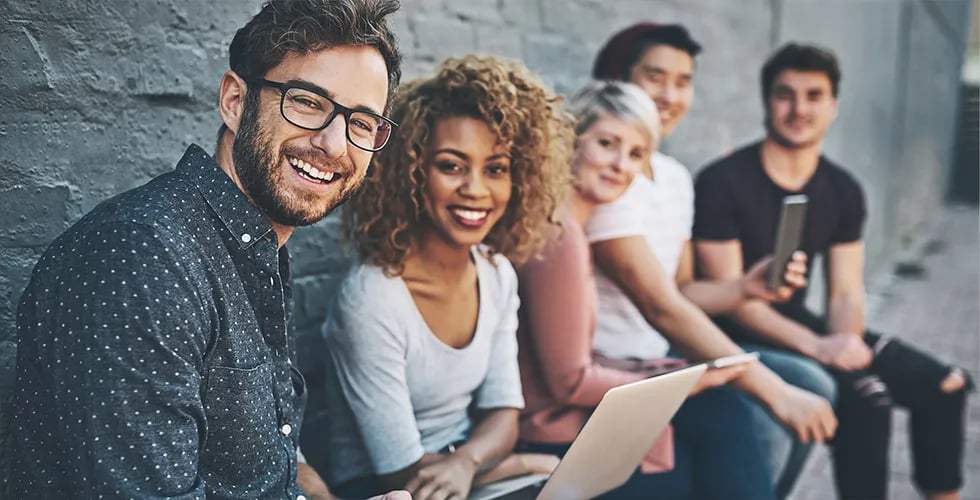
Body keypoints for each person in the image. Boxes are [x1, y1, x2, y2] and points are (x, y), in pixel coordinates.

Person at [4, 1, 409, 498]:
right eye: (307, 101)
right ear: (236, 101)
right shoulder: (143, 259)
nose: (333, 143)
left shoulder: (255, 248)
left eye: (363, 123)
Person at [693, 43, 973, 500]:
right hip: (735, 330)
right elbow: (736, 306)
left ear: (833, 104)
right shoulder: (723, 181)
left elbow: (845, 291)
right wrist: (820, 346)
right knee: (868, 398)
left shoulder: (842, 189)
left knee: (947, 385)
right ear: (767, 101)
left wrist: (845, 340)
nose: (799, 108)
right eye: (786, 94)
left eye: (814, 95)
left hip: (801, 324)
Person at [589, 23, 840, 498]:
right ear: (617, 81)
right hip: (622, 367)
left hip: (666, 354)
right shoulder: (609, 178)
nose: (670, 95)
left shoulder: (674, 177)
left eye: (683, 81)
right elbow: (660, 303)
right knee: (763, 408)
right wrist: (769, 389)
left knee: (812, 384)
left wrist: (748, 286)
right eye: (656, 77)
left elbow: (682, 289)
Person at [320, 54, 573, 500]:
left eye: (495, 169)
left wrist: (467, 461)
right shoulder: (373, 299)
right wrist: (519, 464)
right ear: (411, 175)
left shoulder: (496, 273)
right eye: (452, 166)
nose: (476, 189)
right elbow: (398, 474)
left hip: (469, 472)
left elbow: (504, 414)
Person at [517, 80, 778, 499]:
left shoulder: (571, 229)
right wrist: (684, 381)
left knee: (720, 421)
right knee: (712, 438)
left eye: (636, 154)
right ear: (570, 139)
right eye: (607, 143)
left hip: (573, 421)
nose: (621, 164)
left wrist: (673, 372)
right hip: (554, 436)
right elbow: (569, 382)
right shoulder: (559, 235)